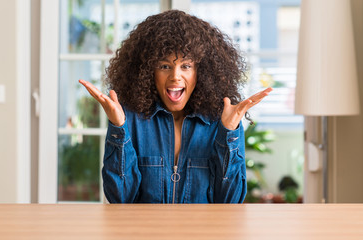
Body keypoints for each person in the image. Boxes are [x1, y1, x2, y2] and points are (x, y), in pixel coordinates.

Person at [79, 10, 272, 203]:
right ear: (148, 72)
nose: (175, 76)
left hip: (202, 233)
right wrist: (119, 129)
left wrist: (228, 133)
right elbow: (119, 198)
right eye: (164, 66)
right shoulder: (131, 119)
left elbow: (231, 201)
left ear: (201, 71)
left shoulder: (220, 120)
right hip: (146, 233)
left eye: (186, 66)